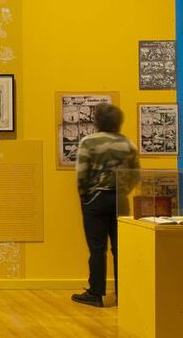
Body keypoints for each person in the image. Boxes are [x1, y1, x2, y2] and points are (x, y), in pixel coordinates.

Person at [72, 103, 139, 308]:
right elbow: (135, 173)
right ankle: (124, 292)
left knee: (97, 248)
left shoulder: (89, 142)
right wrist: (124, 191)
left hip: (96, 199)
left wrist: (86, 196)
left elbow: (82, 173)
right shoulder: (127, 143)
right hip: (120, 199)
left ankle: (96, 293)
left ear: (98, 121)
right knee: (120, 249)